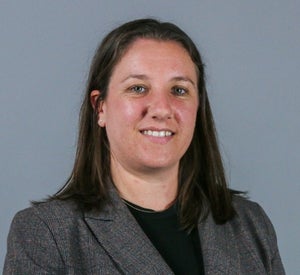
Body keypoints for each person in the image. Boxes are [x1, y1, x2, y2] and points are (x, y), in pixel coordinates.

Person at [4, 18, 285, 274]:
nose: (162, 109)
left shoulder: (250, 225)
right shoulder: (47, 234)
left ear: (198, 108)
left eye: (179, 90)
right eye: (138, 88)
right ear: (100, 107)